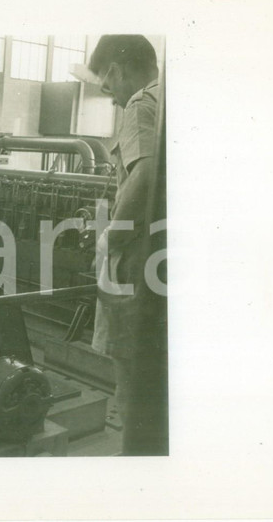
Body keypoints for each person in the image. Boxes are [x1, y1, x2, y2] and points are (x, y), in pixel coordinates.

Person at [88, 35, 168, 455]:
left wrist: (109, 238)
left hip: (140, 263)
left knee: (131, 375)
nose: (113, 98)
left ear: (117, 70)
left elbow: (144, 174)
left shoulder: (141, 102)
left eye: (107, 85)